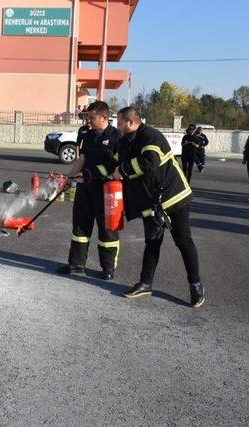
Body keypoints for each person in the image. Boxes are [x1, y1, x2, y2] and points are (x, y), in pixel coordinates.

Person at [106, 106, 204, 308]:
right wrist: (93, 174)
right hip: (151, 202)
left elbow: (149, 162)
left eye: (120, 122)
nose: (117, 126)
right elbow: (112, 164)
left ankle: (196, 285)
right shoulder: (124, 142)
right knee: (152, 242)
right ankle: (145, 283)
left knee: (183, 241)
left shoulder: (151, 136)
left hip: (173, 196)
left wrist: (122, 170)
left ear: (131, 122)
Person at [57, 101, 122, 280]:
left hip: (105, 191)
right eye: (87, 117)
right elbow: (82, 158)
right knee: (80, 226)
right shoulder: (89, 135)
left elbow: (117, 167)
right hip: (85, 189)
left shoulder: (117, 137)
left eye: (92, 117)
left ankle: (108, 269)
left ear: (104, 117)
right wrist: (69, 177)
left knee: (107, 230)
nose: (89, 121)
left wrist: (93, 175)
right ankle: (76, 264)